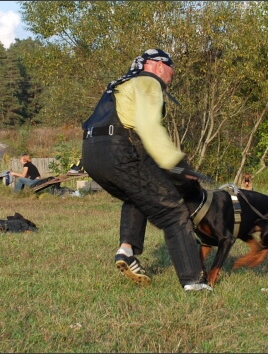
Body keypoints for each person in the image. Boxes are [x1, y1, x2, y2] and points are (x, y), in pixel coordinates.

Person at [82, 48, 212, 291]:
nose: (172, 77)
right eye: (172, 71)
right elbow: (148, 126)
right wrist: (177, 165)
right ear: (158, 65)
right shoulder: (148, 82)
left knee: (138, 196)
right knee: (174, 211)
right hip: (119, 150)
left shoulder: (120, 85)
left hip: (92, 153)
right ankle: (194, 283)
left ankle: (127, 251)